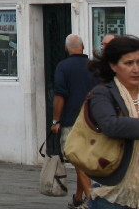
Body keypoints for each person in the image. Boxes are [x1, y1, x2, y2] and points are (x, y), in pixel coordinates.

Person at [82, 33, 139, 209]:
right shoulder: (103, 93)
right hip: (113, 189)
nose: (135, 69)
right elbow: (111, 125)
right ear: (113, 66)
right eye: (128, 63)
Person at [54, 33, 100, 208]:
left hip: (71, 119)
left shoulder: (63, 67)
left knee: (76, 158)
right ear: (83, 47)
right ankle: (78, 197)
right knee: (84, 159)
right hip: (94, 119)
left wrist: (56, 120)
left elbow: (60, 95)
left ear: (66, 49)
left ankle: (90, 198)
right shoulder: (94, 67)